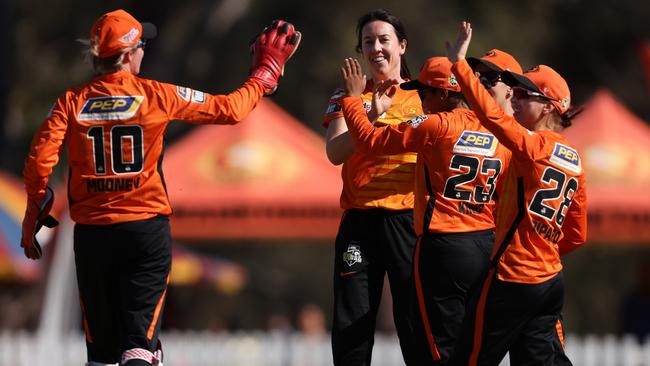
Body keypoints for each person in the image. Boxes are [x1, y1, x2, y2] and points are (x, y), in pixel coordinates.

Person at [19, 9, 300, 366]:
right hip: (144, 232)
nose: (143, 53)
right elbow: (230, 109)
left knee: (102, 356)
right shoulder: (156, 95)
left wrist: (32, 217)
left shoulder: (71, 102)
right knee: (139, 348)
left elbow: (38, 161)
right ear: (127, 55)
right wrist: (263, 76)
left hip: (92, 236)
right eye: (140, 46)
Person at [339, 53, 513, 364]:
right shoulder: (497, 129)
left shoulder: (436, 125)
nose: (420, 98)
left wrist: (353, 100)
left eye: (424, 92)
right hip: (486, 245)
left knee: (438, 349)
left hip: (443, 246)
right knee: (473, 348)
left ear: (444, 94)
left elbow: (369, 142)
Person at [447, 21, 588, 365]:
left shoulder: (533, 146)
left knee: (469, 359)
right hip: (550, 281)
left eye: (526, 94)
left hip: (513, 277)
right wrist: (541, 246)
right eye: (517, 91)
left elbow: (493, 117)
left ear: (548, 107)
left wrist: (460, 66)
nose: (517, 97)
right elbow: (577, 234)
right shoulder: (576, 160)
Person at [323, 9, 422, 366]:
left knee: (415, 320)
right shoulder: (347, 94)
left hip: (409, 220)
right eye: (368, 42)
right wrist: (370, 116)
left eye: (384, 40)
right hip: (360, 221)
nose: (376, 48)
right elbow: (335, 152)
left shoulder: (424, 96)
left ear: (402, 46)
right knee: (353, 319)